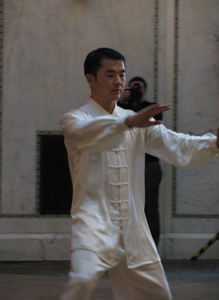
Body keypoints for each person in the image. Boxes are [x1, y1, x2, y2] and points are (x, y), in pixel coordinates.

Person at [60, 47, 219, 300]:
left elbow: (176, 144)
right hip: (93, 224)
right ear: (90, 80)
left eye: (122, 74)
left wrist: (214, 143)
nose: (119, 81)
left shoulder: (135, 119)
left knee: (158, 295)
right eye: (110, 74)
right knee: (81, 282)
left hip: (133, 226)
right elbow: (85, 135)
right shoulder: (75, 118)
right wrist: (128, 124)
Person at [118, 76, 163, 247]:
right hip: (125, 162)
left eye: (140, 87)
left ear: (145, 90)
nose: (137, 90)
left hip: (149, 164)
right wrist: (120, 102)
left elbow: (150, 127)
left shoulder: (152, 108)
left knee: (150, 207)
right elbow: (111, 122)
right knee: (125, 206)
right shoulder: (121, 108)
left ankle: (152, 247)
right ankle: (128, 246)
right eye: (133, 87)